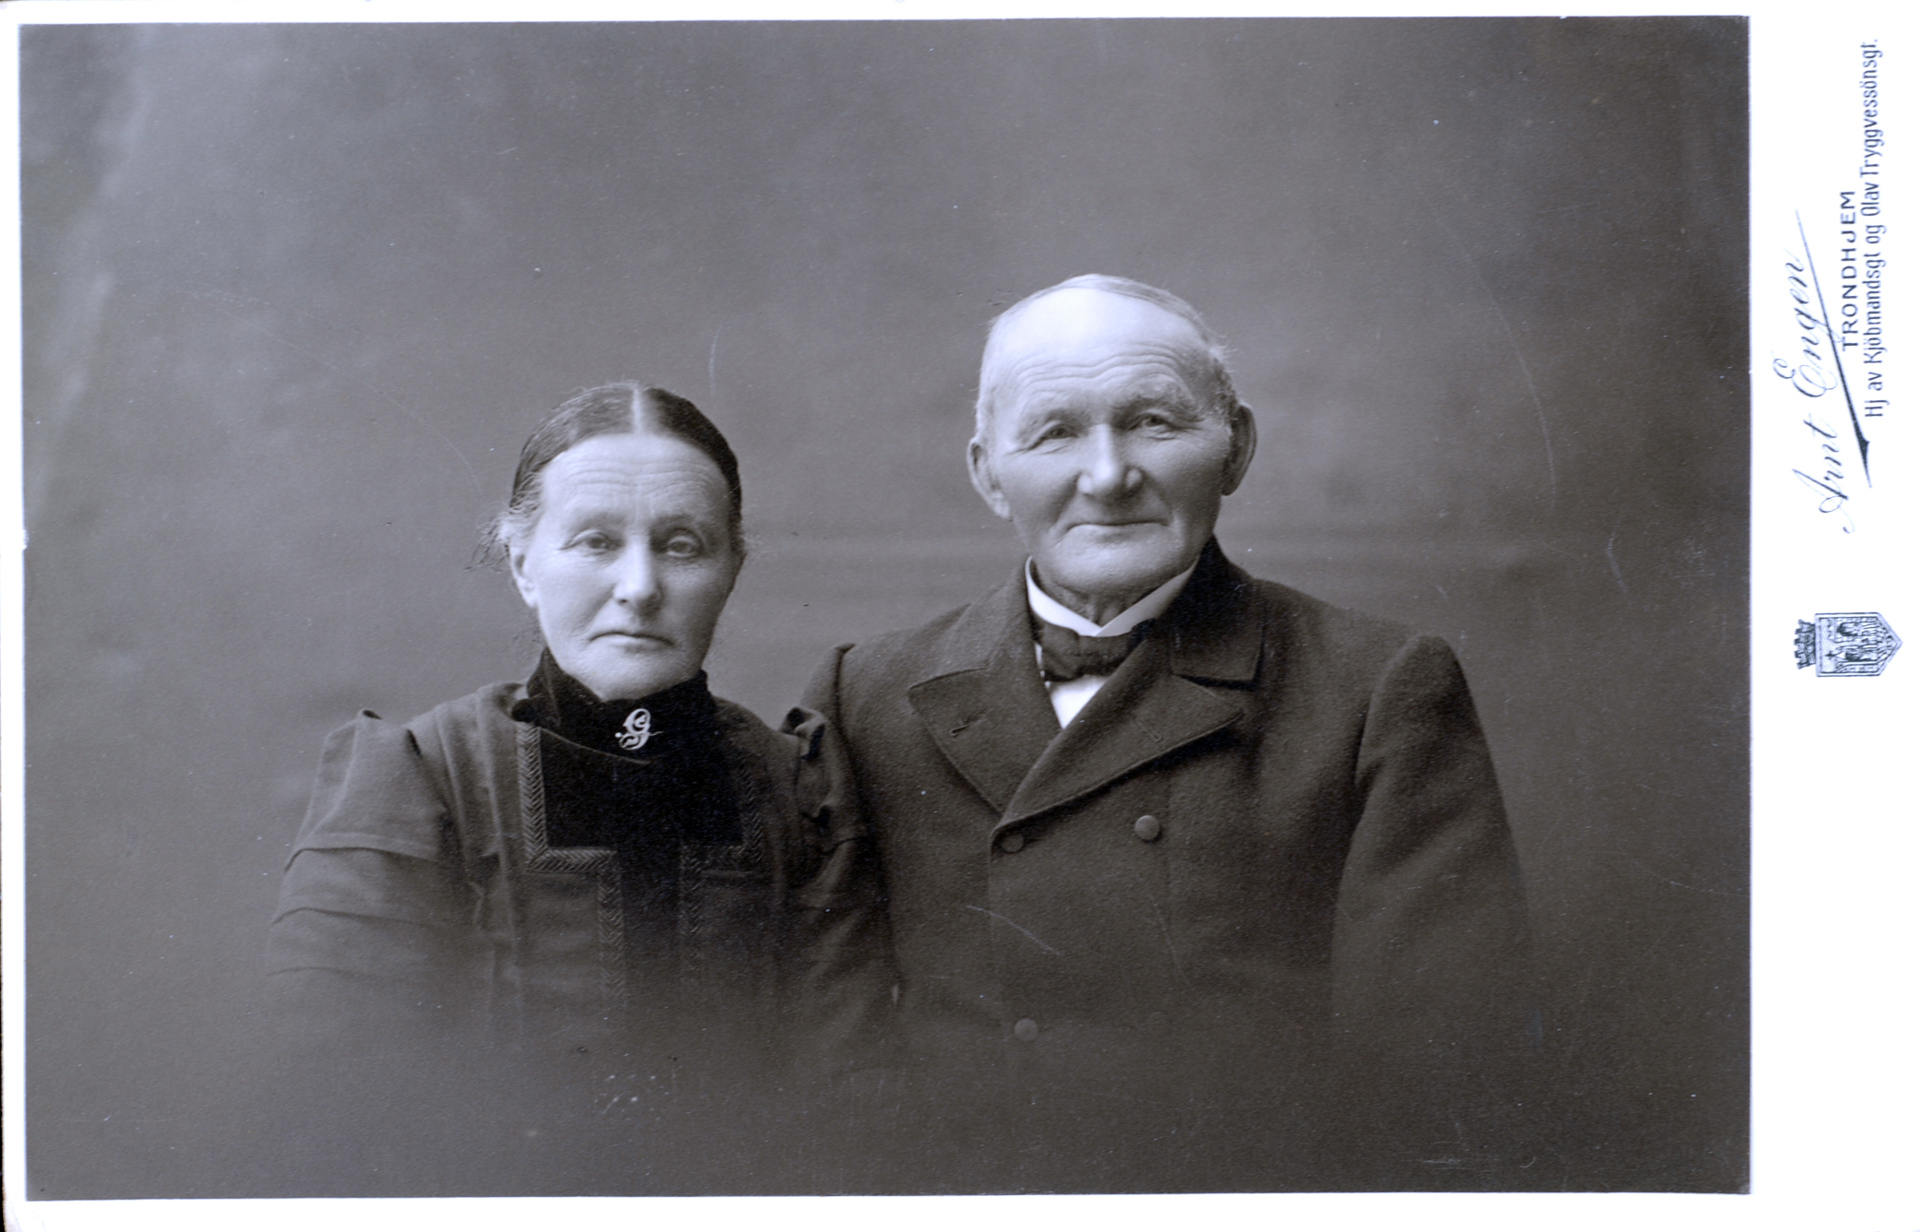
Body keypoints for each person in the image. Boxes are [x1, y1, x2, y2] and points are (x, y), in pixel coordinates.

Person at [803, 275, 1536, 1192]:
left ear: (1236, 447)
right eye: (1055, 432)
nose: (1108, 476)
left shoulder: (1377, 687)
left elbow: (1435, 1077)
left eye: (1153, 421)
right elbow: (832, 1053)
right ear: (988, 473)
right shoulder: (866, 692)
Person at [265, 383, 888, 1195]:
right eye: (596, 541)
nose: (640, 586)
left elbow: (847, 1111)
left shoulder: (798, 790)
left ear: (732, 568)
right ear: (523, 563)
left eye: (683, 546)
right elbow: (335, 1105)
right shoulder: (423, 776)